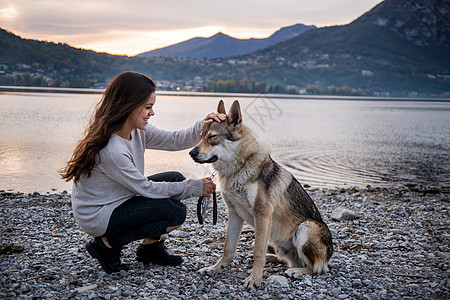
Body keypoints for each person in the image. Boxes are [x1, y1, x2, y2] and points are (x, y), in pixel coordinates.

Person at [60, 71, 226, 274]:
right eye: (148, 107)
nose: (152, 113)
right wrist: (194, 187)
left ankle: (150, 248)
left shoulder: (136, 130)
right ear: (127, 105)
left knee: (174, 178)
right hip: (98, 214)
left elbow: (173, 140)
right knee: (175, 213)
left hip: (119, 199)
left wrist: (203, 125)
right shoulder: (112, 149)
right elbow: (145, 188)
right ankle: (107, 244)